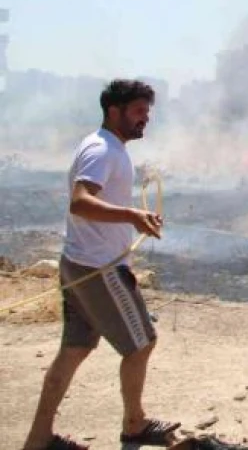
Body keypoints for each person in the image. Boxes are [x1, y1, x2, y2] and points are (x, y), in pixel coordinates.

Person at [22, 79, 179, 450]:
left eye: (147, 112)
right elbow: (80, 201)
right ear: (115, 110)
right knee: (141, 344)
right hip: (98, 268)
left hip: (80, 262)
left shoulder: (106, 147)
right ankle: (135, 426)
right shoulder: (103, 150)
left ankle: (38, 439)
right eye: (139, 111)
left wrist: (131, 215)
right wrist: (131, 215)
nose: (146, 119)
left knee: (75, 350)